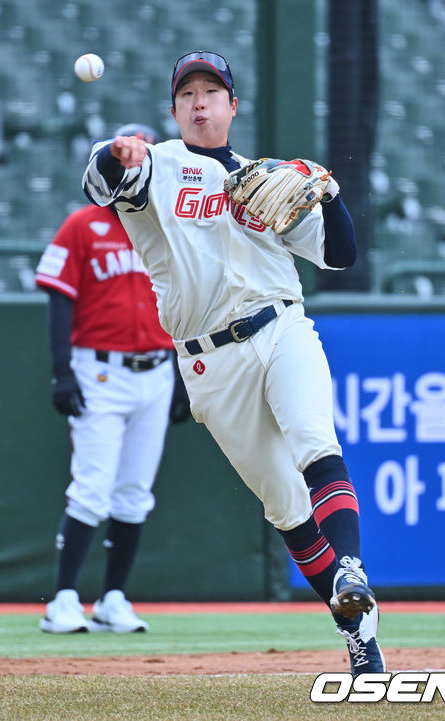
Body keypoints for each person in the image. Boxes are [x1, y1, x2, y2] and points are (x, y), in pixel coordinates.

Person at [82, 52, 385, 674]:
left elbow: (341, 254)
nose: (199, 102)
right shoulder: (158, 166)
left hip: (280, 327)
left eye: (211, 91)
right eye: (188, 93)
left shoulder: (267, 178)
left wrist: (329, 194)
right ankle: (359, 632)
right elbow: (98, 183)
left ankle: (352, 568)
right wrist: (118, 154)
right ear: (173, 109)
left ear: (232, 106)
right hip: (208, 365)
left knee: (312, 437)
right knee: (285, 507)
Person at [36, 123, 190, 634]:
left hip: (156, 368)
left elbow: (185, 303)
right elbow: (59, 297)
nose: (132, 167)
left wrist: (184, 375)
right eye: (123, 159)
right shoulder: (83, 224)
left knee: (134, 491)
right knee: (93, 487)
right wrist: (62, 370)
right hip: (98, 369)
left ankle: (114, 598)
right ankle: (63, 599)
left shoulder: (166, 225)